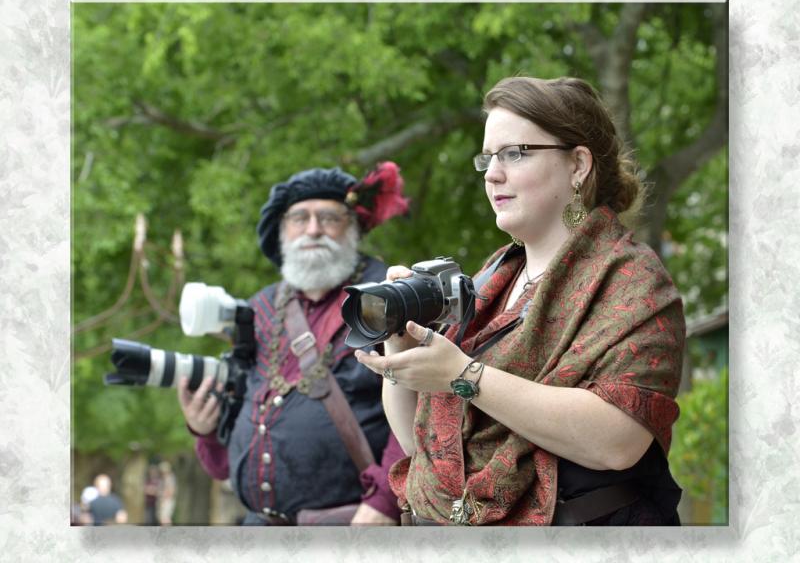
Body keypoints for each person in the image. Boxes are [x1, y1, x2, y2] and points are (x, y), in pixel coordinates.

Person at [356, 76, 686, 526]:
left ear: (578, 165)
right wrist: (400, 340)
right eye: (488, 157)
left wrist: (462, 375)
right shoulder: (491, 278)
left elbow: (617, 440)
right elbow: (419, 444)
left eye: (515, 153)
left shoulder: (632, 281)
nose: (493, 173)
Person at [177, 165, 409, 525]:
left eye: (329, 217)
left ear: (354, 227)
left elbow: (425, 404)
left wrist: (385, 501)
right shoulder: (260, 308)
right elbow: (223, 464)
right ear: (283, 231)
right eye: (299, 218)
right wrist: (206, 430)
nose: (313, 229)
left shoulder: (386, 295)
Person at [156, 461, 176, 525]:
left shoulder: (169, 478)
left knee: (165, 518)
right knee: (163, 518)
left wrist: (164, 498)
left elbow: (171, 491)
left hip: (167, 500)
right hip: (164, 500)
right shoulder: (164, 478)